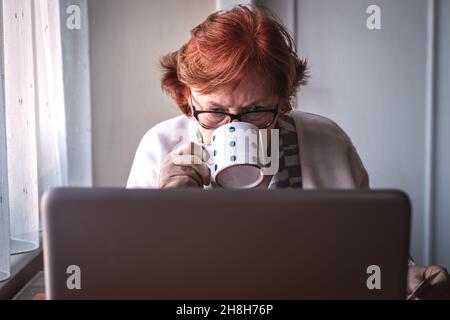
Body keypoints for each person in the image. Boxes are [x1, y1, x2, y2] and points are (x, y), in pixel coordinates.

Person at [126, 5, 450, 299]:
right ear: (189, 99)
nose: (232, 126)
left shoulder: (327, 143)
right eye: (214, 111)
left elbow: (369, 251)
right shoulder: (161, 147)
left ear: (283, 101)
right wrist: (166, 208)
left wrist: (403, 276)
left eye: (255, 110)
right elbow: (133, 277)